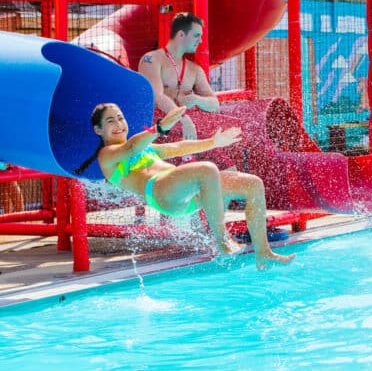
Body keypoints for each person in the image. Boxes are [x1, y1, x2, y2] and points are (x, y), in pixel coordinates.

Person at [75, 103, 295, 269]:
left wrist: (213, 142)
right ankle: (222, 241)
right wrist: (160, 127)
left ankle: (263, 253)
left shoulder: (146, 148)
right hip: (160, 193)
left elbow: (179, 147)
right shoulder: (108, 156)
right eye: (110, 121)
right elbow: (131, 147)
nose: (118, 124)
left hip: (185, 192)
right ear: (98, 130)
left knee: (253, 184)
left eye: (120, 118)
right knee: (207, 169)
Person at [138, 12, 220, 143]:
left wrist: (196, 99)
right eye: (196, 35)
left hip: (186, 131)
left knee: (225, 161)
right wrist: (183, 118)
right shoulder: (152, 60)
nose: (201, 41)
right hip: (158, 131)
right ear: (181, 35)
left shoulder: (195, 70)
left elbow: (215, 105)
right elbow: (157, 96)